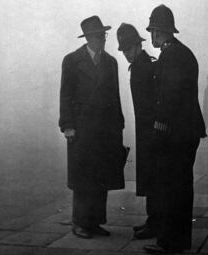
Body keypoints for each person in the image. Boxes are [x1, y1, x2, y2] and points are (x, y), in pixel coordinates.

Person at [143, 5, 206, 253]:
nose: (151, 36)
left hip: (176, 133)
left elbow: (168, 97)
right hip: (186, 130)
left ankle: (170, 242)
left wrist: (159, 128)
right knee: (179, 186)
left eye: (152, 31)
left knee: (172, 187)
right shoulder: (181, 53)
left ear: (159, 32)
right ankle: (176, 240)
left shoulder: (172, 56)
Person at [59, 16, 125, 239]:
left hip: (105, 129)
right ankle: (80, 223)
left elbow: (115, 97)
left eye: (103, 35)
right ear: (88, 37)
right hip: (82, 128)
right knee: (83, 177)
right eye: (98, 35)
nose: (102, 39)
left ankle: (95, 222)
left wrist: (119, 126)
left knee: (101, 176)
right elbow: (65, 95)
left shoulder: (111, 62)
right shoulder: (71, 60)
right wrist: (67, 126)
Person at [116, 23, 159, 239]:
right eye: (122, 51)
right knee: (150, 177)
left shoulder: (145, 66)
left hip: (151, 131)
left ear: (137, 45)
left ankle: (155, 223)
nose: (125, 54)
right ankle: (153, 220)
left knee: (153, 178)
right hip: (146, 130)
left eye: (127, 49)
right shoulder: (142, 64)